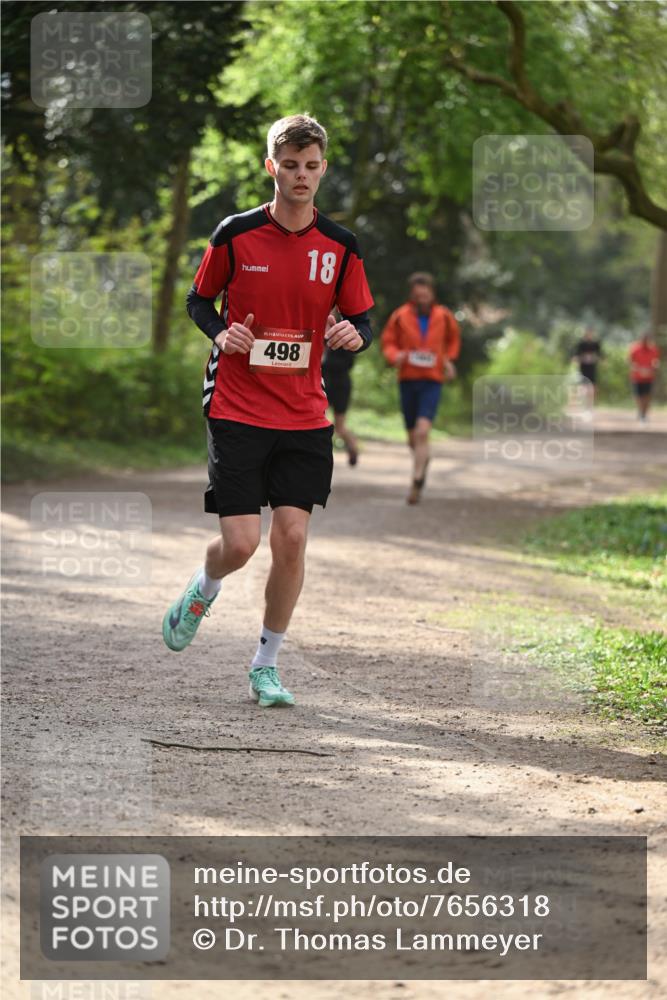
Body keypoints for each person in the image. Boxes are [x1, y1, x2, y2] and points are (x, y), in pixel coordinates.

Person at [162, 114, 374, 707]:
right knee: (240, 545)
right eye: (290, 165)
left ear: (322, 169)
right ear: (271, 167)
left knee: (293, 537)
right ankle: (203, 588)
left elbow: (362, 317)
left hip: (305, 412)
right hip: (236, 404)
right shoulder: (234, 234)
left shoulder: (340, 246)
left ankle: (266, 665)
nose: (300, 176)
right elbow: (198, 299)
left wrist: (356, 335)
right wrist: (221, 333)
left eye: (311, 167)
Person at [380, 272, 460, 504]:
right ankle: (422, 461)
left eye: (425, 294)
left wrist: (449, 360)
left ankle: (416, 481)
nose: (422, 298)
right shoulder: (400, 316)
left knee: (423, 431)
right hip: (408, 379)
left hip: (432, 380)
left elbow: (453, 340)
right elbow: (389, 342)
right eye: (417, 295)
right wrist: (396, 355)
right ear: (412, 296)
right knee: (412, 437)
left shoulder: (444, 316)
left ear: (432, 294)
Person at [322, 338, 359, 465]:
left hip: (340, 386)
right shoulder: (318, 337)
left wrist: (324, 361)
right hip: (324, 385)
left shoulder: (343, 338)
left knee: (340, 427)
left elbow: (349, 363)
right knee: (321, 421)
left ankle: (353, 448)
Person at [629, 331, 660, 422]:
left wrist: (653, 368)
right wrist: (639, 369)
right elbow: (630, 362)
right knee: (638, 396)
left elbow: (656, 362)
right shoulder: (635, 348)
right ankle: (640, 411)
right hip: (637, 377)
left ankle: (644, 414)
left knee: (647, 396)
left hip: (649, 377)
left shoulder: (653, 349)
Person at [573, 327, 602, 406]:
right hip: (583, 367)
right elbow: (576, 356)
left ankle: (592, 401)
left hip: (592, 367)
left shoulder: (596, 344)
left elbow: (600, 355)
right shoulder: (581, 344)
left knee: (593, 385)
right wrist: (581, 358)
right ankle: (583, 401)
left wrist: (594, 358)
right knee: (583, 384)